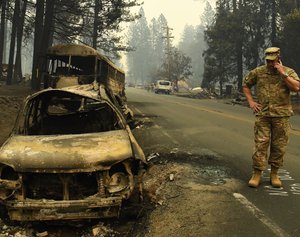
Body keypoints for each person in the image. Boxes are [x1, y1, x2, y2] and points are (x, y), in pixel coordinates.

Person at [243, 47, 300, 188]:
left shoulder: (288, 71)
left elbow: (296, 87)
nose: (270, 64)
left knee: (278, 146)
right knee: (261, 144)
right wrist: (251, 101)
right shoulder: (259, 72)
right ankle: (257, 173)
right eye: (268, 61)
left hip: (282, 116)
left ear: (278, 59)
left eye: (273, 61)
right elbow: (246, 85)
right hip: (263, 115)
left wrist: (283, 73)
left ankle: (274, 173)